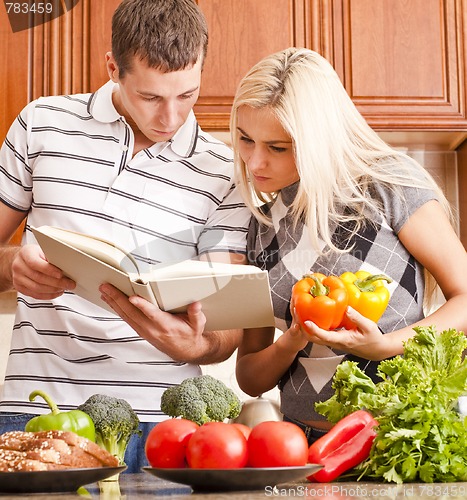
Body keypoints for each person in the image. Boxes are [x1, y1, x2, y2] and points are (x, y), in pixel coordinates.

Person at [0, 0, 250, 471]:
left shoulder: (224, 172)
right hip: (38, 410)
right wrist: (12, 266)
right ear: (114, 67)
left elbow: (227, 323)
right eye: (152, 97)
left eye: (188, 95)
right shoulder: (40, 124)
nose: (171, 119)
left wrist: (197, 346)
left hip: (167, 426)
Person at [231, 47, 467, 444]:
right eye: (245, 138)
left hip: (401, 435)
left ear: (317, 138)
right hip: (301, 446)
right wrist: (292, 340)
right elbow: (250, 377)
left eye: (277, 147)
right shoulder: (260, 226)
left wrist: (385, 346)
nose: (255, 163)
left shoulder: (389, 185)